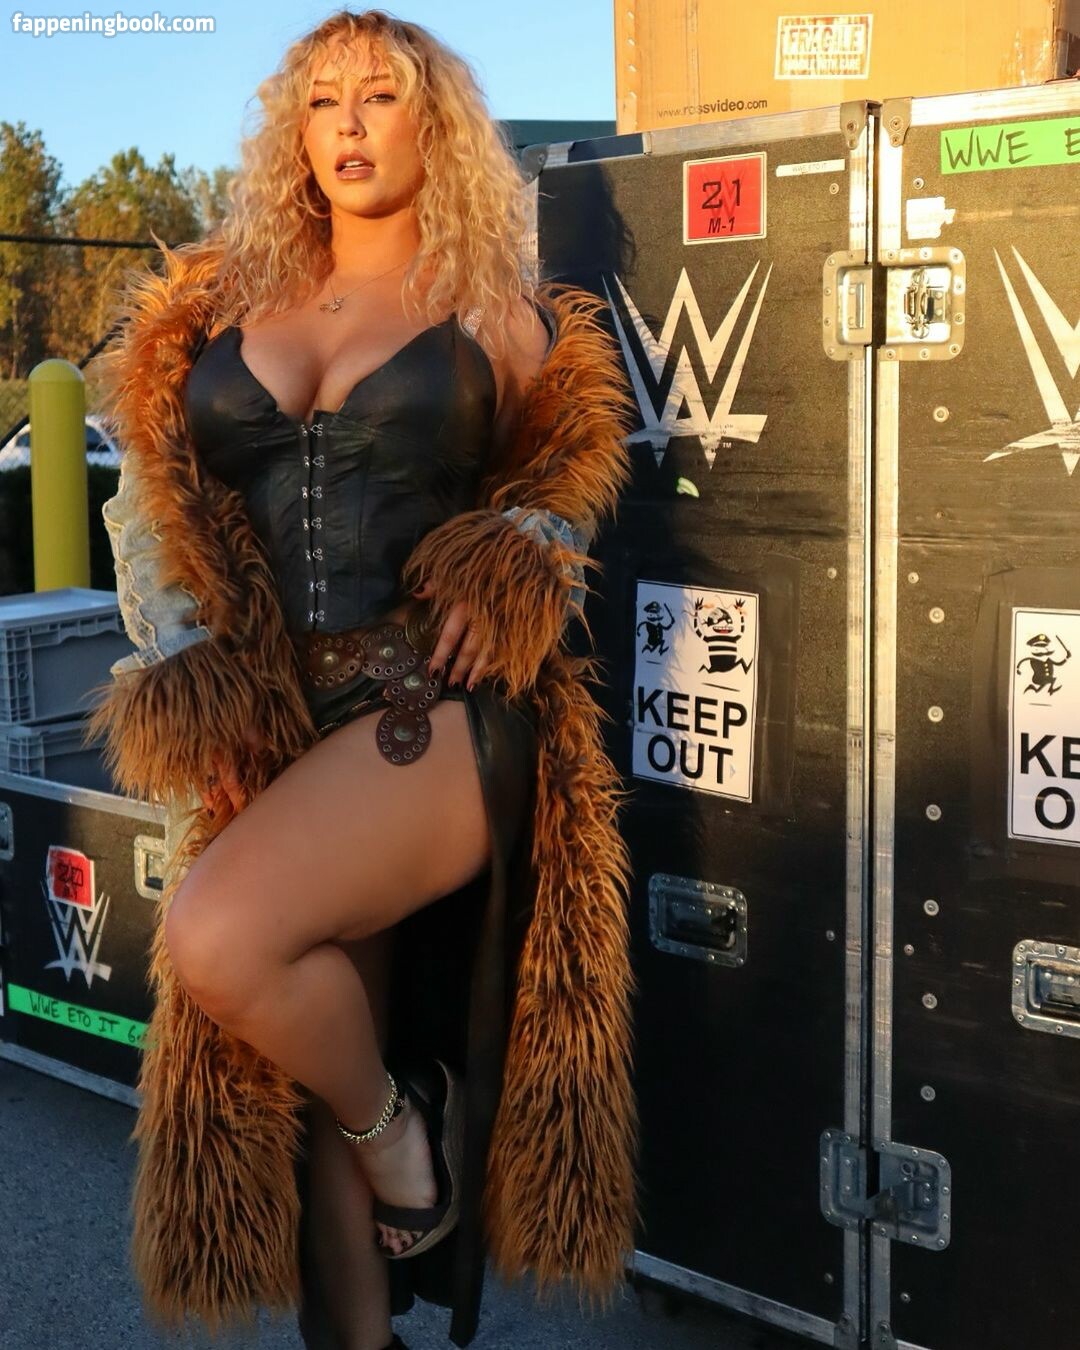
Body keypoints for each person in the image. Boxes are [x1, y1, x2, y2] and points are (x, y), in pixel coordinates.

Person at [86, 9, 640, 1350]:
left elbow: (566, 481)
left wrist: (519, 555)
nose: (347, 122)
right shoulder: (219, 308)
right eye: (322, 99)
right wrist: (187, 659)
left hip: (427, 715)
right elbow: (153, 509)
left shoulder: (491, 312)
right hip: (277, 727)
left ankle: (406, 1126)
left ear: (432, 124)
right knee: (311, 1104)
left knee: (221, 938)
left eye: (381, 95)